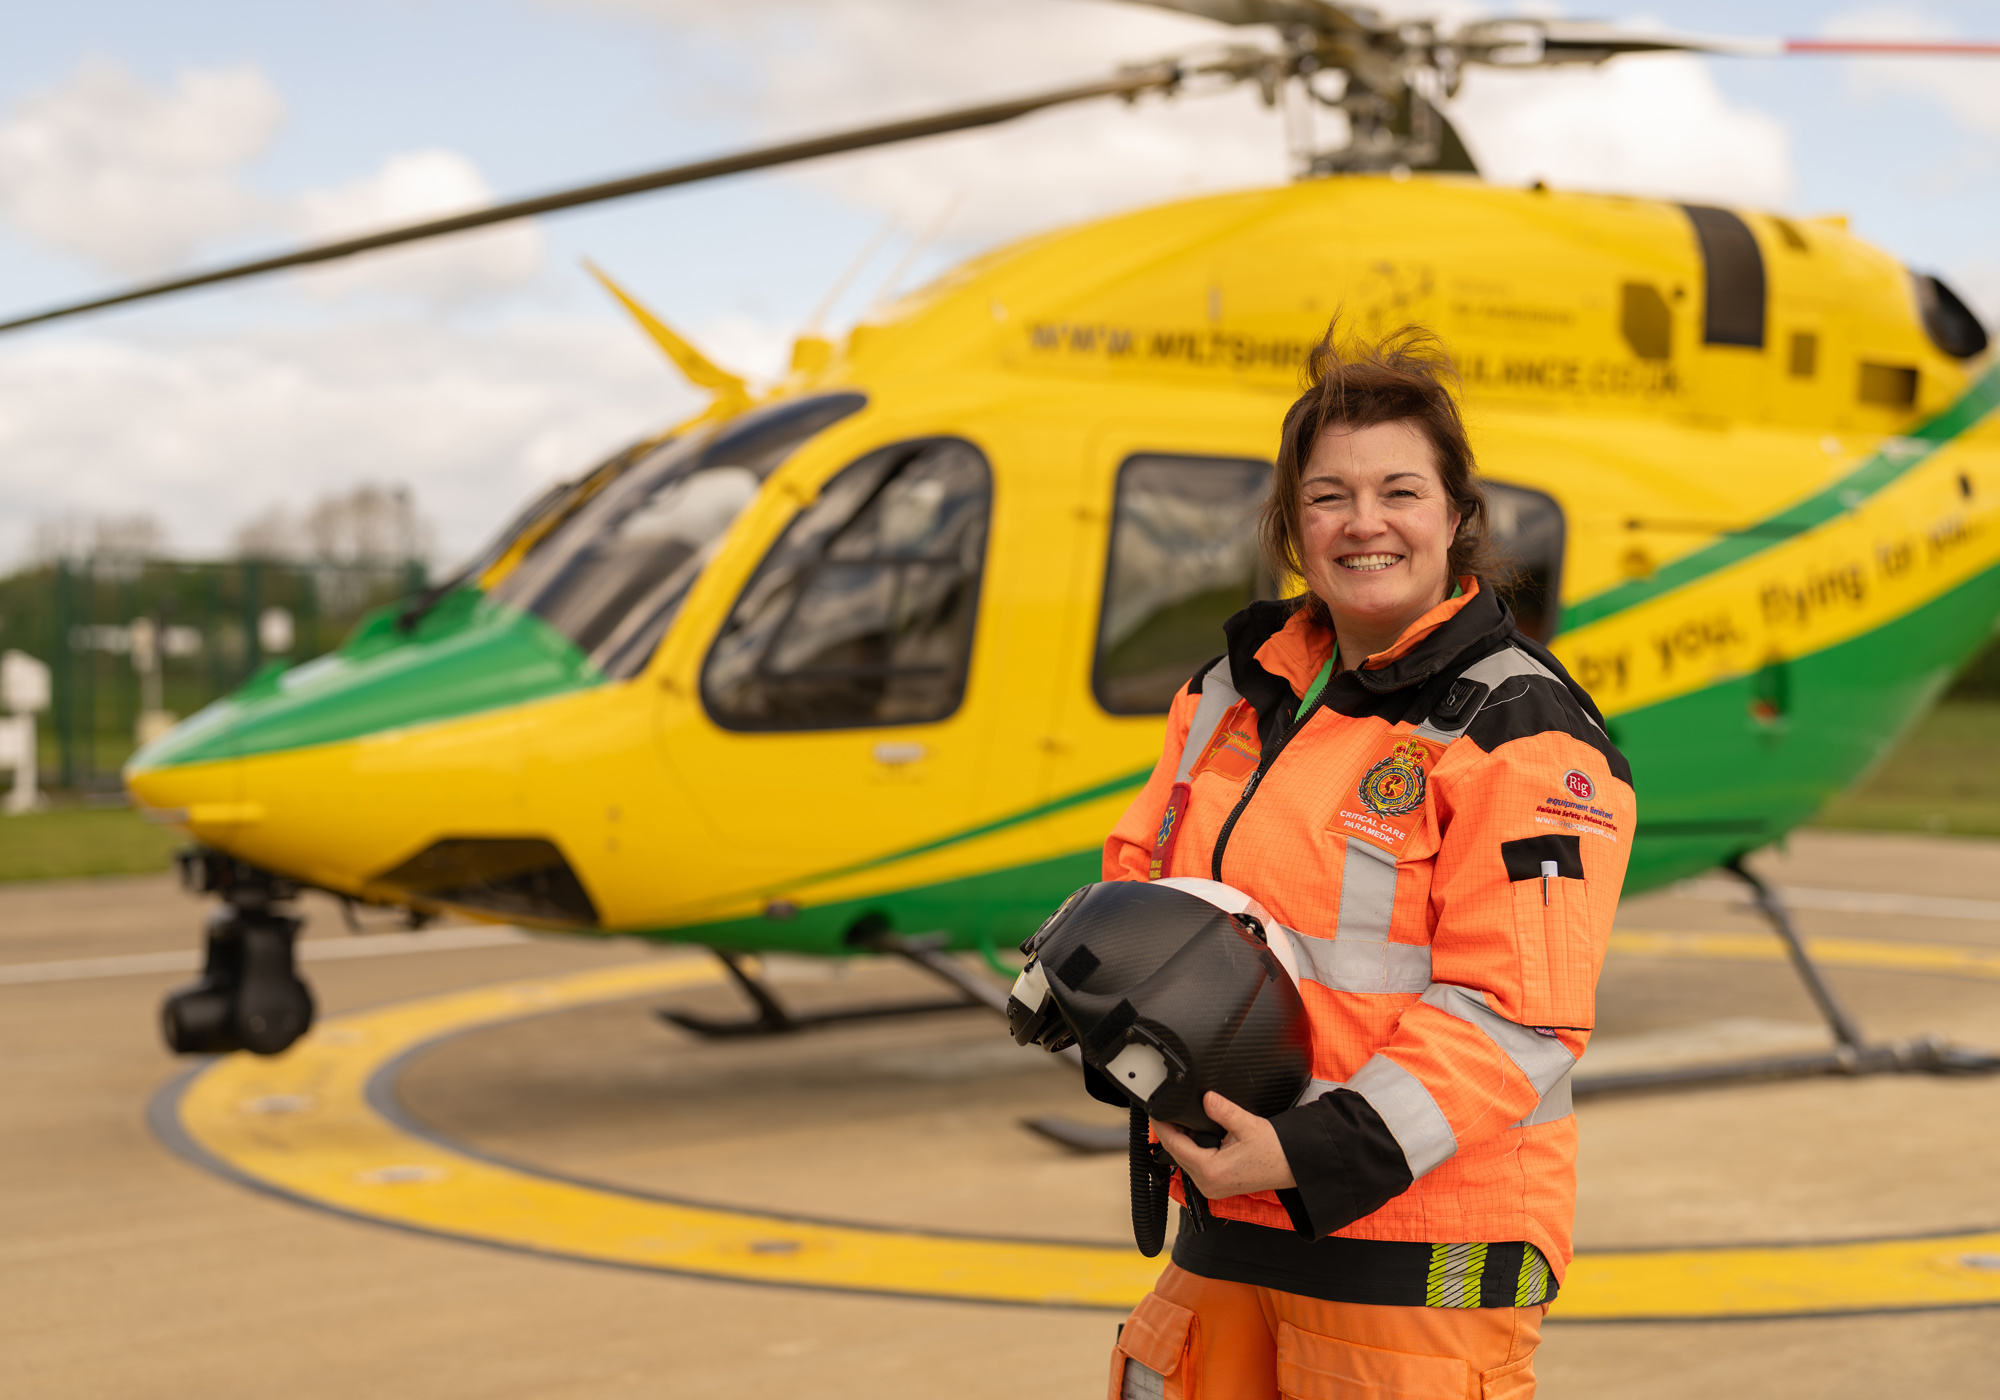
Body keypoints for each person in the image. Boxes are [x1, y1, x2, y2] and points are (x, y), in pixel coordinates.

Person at [1100, 324, 1635, 1399]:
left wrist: (1304, 1150)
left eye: (1398, 490)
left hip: (1407, 1257)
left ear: (1454, 519)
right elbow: (1139, 882)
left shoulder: (1520, 730)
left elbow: (1518, 1014)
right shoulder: (1229, 691)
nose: (1362, 522)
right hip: (1225, 1229)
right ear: (1292, 525)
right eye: (1327, 496)